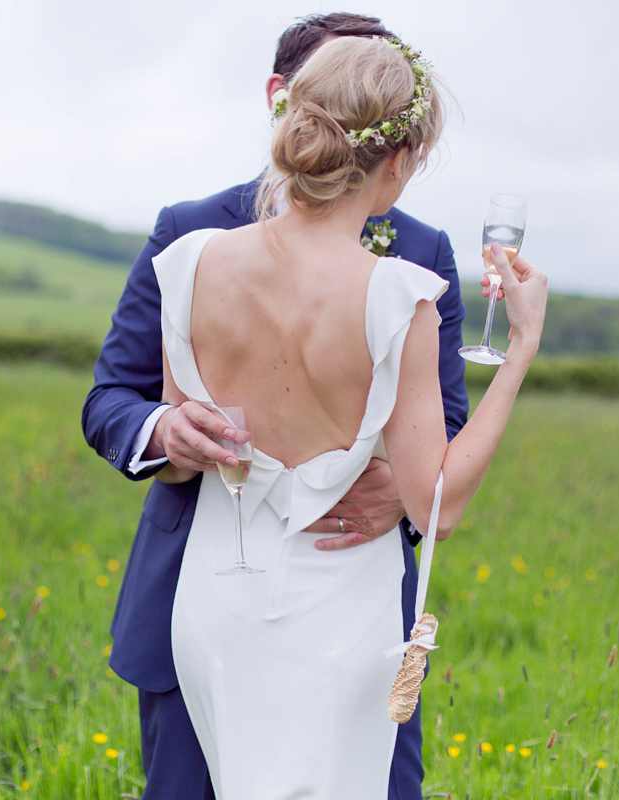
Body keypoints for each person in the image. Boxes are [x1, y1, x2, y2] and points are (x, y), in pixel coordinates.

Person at [82, 14, 467, 800]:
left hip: (351, 622)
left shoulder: (422, 254)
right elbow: (109, 398)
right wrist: (164, 430)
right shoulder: (188, 231)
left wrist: (404, 489)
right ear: (281, 100)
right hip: (201, 602)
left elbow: (444, 423)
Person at [155, 35, 547, 798]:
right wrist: (523, 345)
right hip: (336, 612)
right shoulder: (401, 295)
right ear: (397, 161)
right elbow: (438, 502)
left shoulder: (192, 261)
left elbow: (186, 442)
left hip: (214, 602)